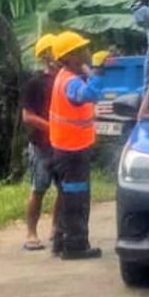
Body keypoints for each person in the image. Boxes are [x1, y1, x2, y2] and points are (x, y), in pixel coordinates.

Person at [48, 31, 106, 260]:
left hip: (64, 150)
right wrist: (98, 72)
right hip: (72, 153)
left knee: (67, 196)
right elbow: (88, 95)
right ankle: (76, 246)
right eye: (81, 50)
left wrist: (88, 69)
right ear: (69, 56)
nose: (85, 53)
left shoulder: (64, 75)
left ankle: (61, 242)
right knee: (77, 199)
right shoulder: (71, 82)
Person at [21, 34, 59, 251]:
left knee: (64, 190)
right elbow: (27, 116)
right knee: (39, 189)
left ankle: (55, 228)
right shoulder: (35, 83)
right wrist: (52, 128)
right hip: (41, 145)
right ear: (46, 56)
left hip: (62, 145)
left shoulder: (66, 80)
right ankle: (31, 233)